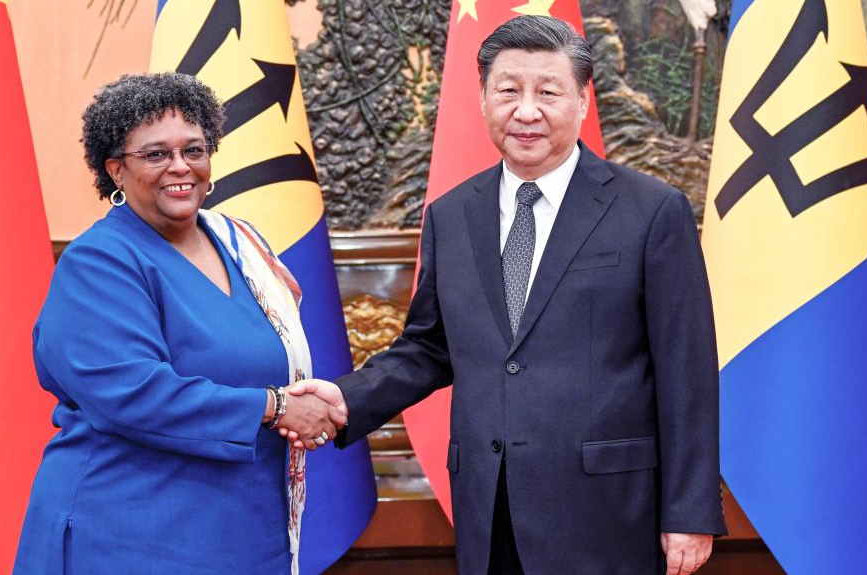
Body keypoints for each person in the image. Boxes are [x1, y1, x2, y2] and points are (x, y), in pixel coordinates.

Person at [289, 15, 725, 575]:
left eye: (548, 92)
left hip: (610, 513)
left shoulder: (651, 211)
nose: (527, 111)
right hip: (489, 510)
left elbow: (686, 371)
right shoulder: (451, 215)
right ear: (483, 98)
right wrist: (348, 400)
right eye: (509, 91)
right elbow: (430, 347)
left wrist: (689, 511)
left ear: (583, 100)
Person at [12, 72, 344, 575]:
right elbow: (133, 393)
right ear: (115, 171)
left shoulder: (240, 244)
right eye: (155, 154)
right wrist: (274, 407)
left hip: (242, 524)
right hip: (132, 530)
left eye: (194, 149)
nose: (180, 167)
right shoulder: (99, 261)